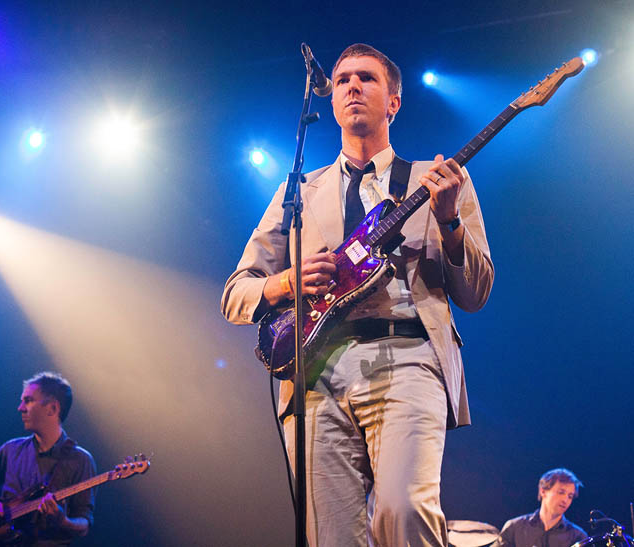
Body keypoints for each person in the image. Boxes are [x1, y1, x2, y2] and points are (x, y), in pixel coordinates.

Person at [221, 43, 494, 546]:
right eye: (343, 78)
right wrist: (285, 283)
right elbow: (235, 295)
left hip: (408, 356)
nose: (351, 85)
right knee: (331, 536)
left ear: (393, 101)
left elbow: (476, 292)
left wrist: (450, 218)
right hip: (316, 372)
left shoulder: (435, 182)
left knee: (405, 511)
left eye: (366, 78)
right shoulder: (299, 192)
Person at [0, 372, 96, 546]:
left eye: (28, 400)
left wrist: (63, 520)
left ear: (52, 408)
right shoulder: (11, 449)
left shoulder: (81, 460)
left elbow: (84, 524)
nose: (20, 408)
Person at [493, 468, 588, 547]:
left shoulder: (578, 536)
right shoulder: (514, 527)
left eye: (570, 496)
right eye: (561, 492)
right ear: (543, 491)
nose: (565, 500)